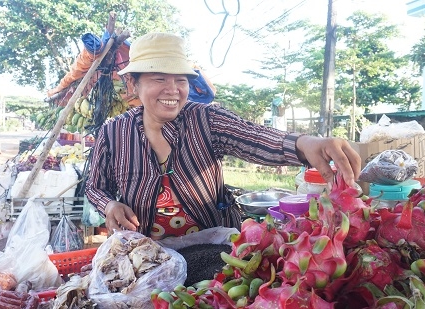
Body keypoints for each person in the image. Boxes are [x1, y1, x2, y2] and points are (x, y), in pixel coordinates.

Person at [85, 32, 361, 239]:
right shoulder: (114, 131)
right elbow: (95, 186)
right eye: (159, 79)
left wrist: (304, 144)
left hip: (215, 250)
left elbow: (255, 137)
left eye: (181, 80)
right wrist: (109, 204)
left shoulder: (206, 119)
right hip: (148, 255)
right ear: (133, 83)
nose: (173, 90)